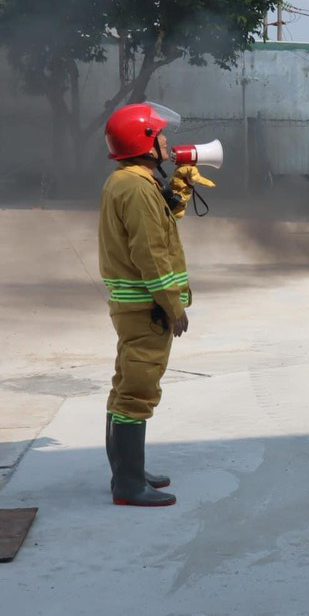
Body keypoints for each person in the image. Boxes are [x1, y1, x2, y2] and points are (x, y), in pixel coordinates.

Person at [100, 102, 192, 507]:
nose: (167, 141)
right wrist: (173, 306)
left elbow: (158, 224)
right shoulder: (136, 188)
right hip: (146, 307)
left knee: (125, 385)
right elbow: (151, 252)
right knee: (138, 390)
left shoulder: (129, 182)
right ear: (146, 142)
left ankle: (128, 472)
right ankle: (128, 485)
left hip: (133, 305)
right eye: (161, 135)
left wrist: (177, 192)